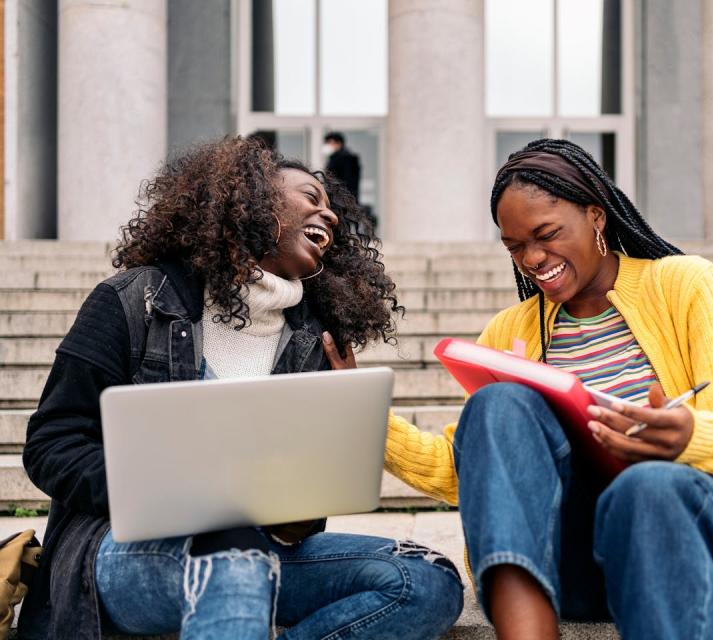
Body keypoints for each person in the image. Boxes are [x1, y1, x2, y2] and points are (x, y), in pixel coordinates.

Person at [381, 139, 713, 640]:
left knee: (648, 486)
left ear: (596, 215)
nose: (533, 258)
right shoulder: (509, 329)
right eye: (515, 247)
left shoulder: (684, 285)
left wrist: (689, 437)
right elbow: (475, 473)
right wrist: (365, 417)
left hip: (692, 538)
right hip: (573, 564)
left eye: (547, 234)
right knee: (498, 403)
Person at [18, 136, 463, 640]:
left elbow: (300, 498)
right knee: (233, 556)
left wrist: (300, 513)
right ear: (249, 200)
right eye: (310, 198)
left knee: (423, 579)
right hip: (122, 552)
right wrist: (157, 487)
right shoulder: (133, 300)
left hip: (259, 550)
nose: (331, 216)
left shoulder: (313, 341)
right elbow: (51, 443)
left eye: (331, 208)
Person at [323, 132, 361, 200]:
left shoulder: (347, 158)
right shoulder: (335, 157)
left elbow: (348, 182)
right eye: (327, 143)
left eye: (330, 143)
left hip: (342, 199)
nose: (328, 145)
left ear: (339, 144)